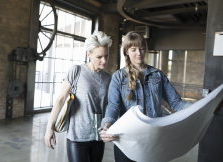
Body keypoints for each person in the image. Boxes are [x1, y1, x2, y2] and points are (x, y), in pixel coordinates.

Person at [99, 31, 195, 162]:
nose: (139, 53)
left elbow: (176, 103)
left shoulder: (158, 75)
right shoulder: (118, 77)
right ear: (126, 51)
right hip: (127, 139)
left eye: (142, 48)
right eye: (133, 49)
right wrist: (107, 126)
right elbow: (113, 106)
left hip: (153, 139)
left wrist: (204, 105)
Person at [44, 31, 112, 162]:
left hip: (98, 137)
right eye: (99, 57)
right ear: (89, 55)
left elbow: (109, 106)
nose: (104, 60)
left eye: (106, 55)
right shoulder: (77, 71)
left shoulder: (108, 78)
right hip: (77, 137)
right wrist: (49, 128)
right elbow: (61, 99)